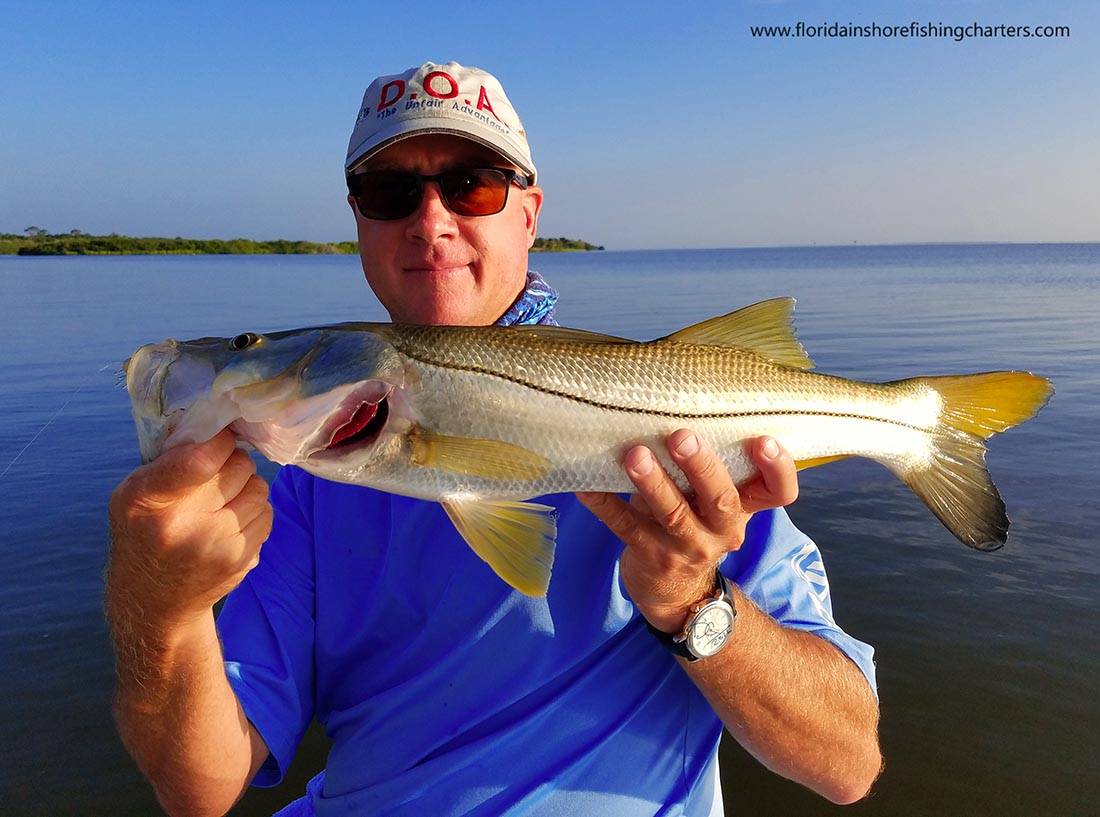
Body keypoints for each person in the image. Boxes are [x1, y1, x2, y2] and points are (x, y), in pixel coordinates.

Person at [107, 61, 881, 817]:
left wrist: (692, 602)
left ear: (528, 213)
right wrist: (161, 609)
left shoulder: (694, 465)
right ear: (359, 221)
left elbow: (848, 764)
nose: (431, 221)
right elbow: (198, 790)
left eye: (473, 184)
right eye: (390, 191)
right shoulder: (304, 489)